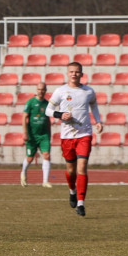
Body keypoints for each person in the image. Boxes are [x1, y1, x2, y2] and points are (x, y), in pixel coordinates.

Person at [45, 61, 104, 217]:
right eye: (71, 71)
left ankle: (81, 203)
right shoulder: (60, 91)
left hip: (84, 134)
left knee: (82, 167)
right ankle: (72, 190)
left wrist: (98, 121)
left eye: (77, 72)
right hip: (67, 136)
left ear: (81, 74)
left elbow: (94, 106)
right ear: (67, 73)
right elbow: (48, 110)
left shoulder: (88, 91)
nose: (74, 74)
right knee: (71, 171)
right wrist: (60, 115)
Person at [20, 83, 53, 188]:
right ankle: (23, 173)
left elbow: (48, 120)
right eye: (39, 89)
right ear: (37, 90)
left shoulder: (47, 104)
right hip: (32, 135)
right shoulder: (30, 102)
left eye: (43, 89)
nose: (41, 91)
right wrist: (25, 133)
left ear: (45, 90)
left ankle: (45, 181)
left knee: (46, 155)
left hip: (44, 135)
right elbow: (24, 118)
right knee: (30, 158)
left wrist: (49, 133)